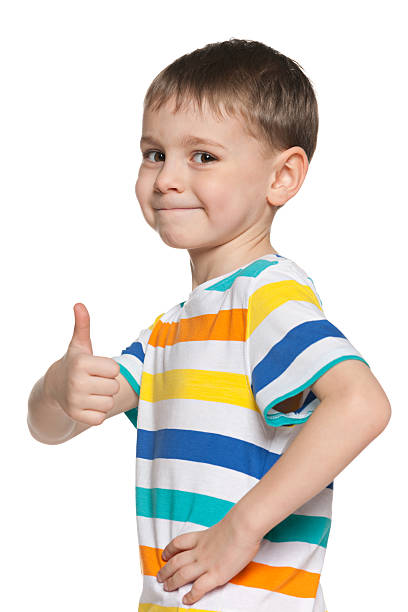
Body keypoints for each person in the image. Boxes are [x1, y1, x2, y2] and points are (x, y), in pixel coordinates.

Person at [27, 38, 391, 612]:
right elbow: (52, 429)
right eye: (154, 153)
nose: (167, 177)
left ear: (282, 178)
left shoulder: (265, 298)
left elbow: (362, 405)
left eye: (203, 156)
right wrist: (56, 387)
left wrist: (240, 530)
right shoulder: (171, 330)